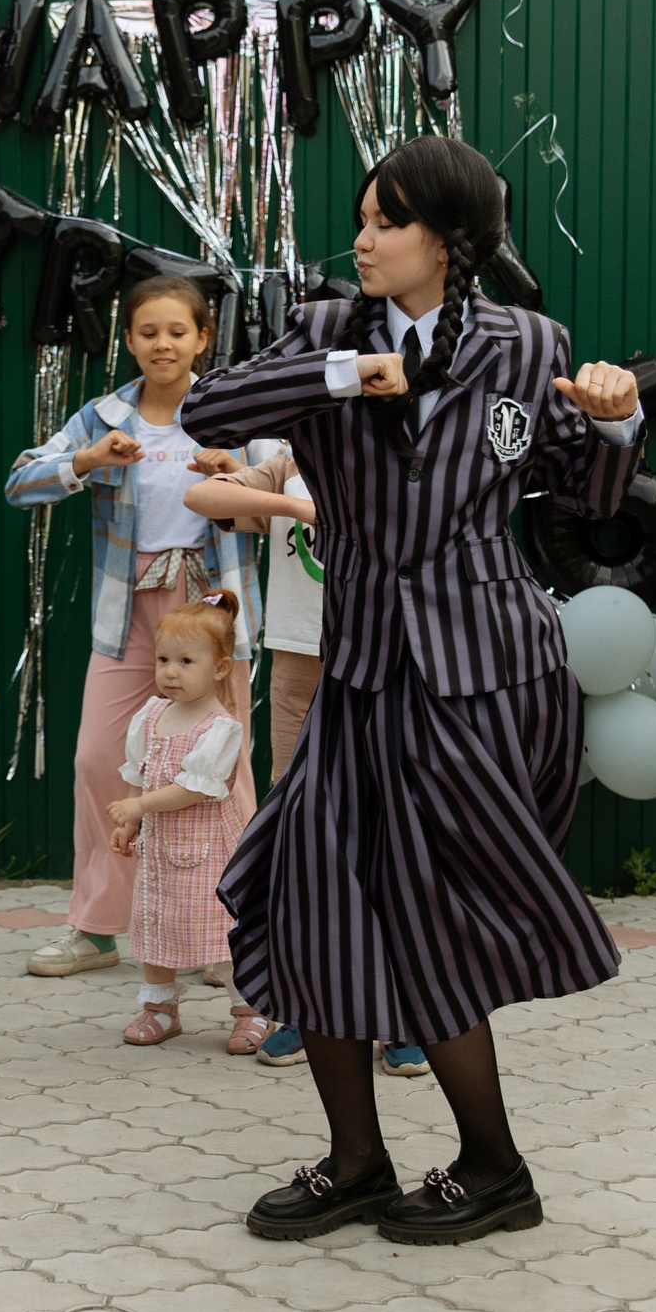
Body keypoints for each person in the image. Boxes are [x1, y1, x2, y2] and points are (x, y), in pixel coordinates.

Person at [181, 134, 644, 1247]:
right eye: (362, 217)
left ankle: (493, 1169)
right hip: (362, 667)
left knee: (432, 913)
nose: (364, 236)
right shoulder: (327, 330)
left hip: (488, 671)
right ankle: (357, 1162)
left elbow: (578, 488)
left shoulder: (531, 343)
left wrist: (618, 418)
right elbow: (208, 414)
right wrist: (351, 375)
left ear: (453, 238)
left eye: (387, 219)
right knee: (308, 899)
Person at [2, 278, 261, 1034]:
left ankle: (225, 934)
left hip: (212, 612)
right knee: (97, 758)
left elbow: (288, 476)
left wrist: (234, 473)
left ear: (203, 338)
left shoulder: (230, 407)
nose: (163, 344)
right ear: (129, 340)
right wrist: (84, 460)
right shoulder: (105, 415)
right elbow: (21, 480)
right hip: (129, 612)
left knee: (228, 770)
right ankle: (98, 925)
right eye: (147, 331)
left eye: (177, 331)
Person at [186, 450, 429, 1079]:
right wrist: (295, 505)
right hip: (300, 657)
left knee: (387, 835)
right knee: (300, 831)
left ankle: (398, 1016)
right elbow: (206, 499)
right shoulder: (289, 459)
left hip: (385, 659)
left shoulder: (408, 452)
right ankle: (300, 1004)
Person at [106, 590, 261, 1052]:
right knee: (156, 926)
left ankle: (250, 1010)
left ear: (219, 668)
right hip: (161, 855)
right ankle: (160, 1009)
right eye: (163, 659)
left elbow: (195, 788)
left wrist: (141, 807)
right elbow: (139, 770)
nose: (170, 672)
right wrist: (129, 821)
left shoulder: (220, 728)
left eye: (186, 662)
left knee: (225, 933)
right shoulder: (152, 714)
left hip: (210, 855)